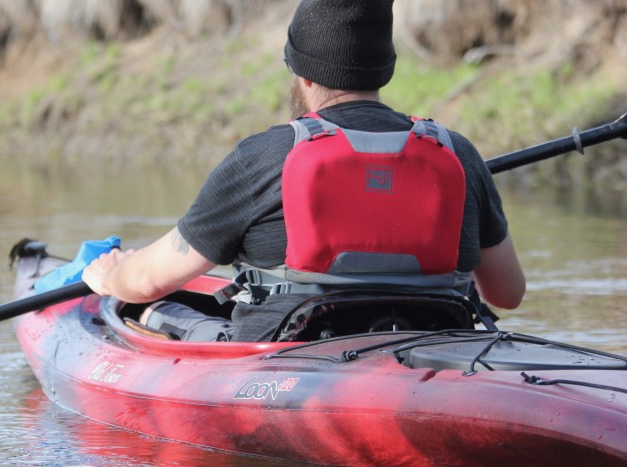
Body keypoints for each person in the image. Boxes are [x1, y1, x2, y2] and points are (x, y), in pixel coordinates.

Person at [82, 0, 526, 342]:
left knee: (148, 310)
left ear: (305, 75)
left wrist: (110, 276)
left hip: (289, 359)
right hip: (434, 347)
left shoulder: (265, 156)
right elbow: (507, 293)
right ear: (383, 70)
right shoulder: (458, 155)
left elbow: (146, 281)